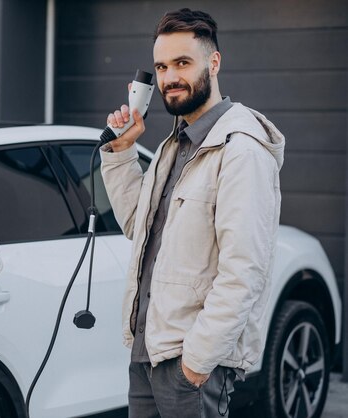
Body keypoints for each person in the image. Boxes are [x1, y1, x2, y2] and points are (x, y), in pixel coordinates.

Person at [99, 8, 285, 418]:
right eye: (161, 66)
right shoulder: (174, 146)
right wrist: (122, 151)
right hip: (149, 352)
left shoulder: (241, 150)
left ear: (213, 62)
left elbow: (244, 272)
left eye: (182, 63)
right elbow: (137, 225)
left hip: (190, 364)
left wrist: (196, 364)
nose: (169, 78)